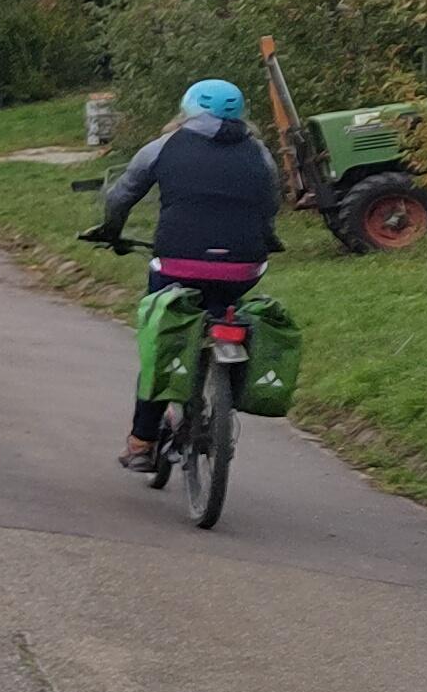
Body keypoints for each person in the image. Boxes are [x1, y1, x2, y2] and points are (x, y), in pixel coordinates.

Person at [87, 79, 281, 470]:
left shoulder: (163, 147)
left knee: (163, 342)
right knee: (224, 310)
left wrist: (110, 231)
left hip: (178, 264)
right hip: (244, 268)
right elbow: (270, 204)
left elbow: (121, 196)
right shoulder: (260, 153)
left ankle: (142, 443)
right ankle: (224, 388)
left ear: (187, 110)